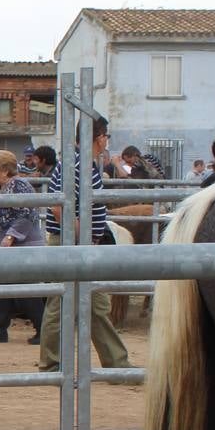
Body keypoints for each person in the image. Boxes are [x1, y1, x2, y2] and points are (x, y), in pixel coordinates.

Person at [37, 119, 130, 373]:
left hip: (81, 243)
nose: (106, 141)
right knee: (63, 303)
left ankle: (116, 364)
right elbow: (58, 206)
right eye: (106, 136)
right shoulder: (76, 163)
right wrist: (82, 236)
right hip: (73, 243)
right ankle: (52, 363)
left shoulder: (80, 163)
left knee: (95, 305)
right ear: (99, 137)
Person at [0, 150, 44, 344]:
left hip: (20, 246)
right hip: (9, 246)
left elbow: (26, 214)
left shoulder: (18, 186)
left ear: (5, 170)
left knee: (26, 289)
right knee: (3, 287)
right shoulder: (8, 187)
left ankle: (42, 328)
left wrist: (10, 236)